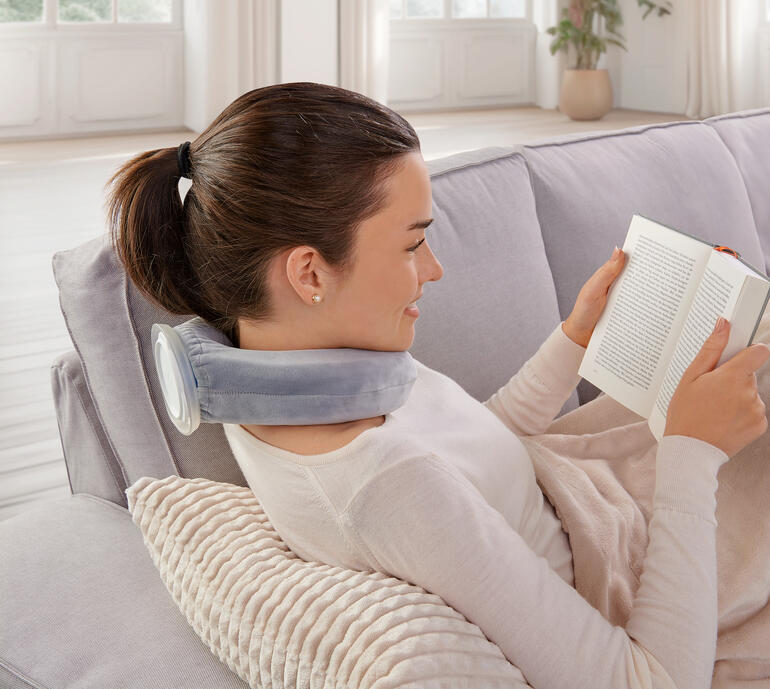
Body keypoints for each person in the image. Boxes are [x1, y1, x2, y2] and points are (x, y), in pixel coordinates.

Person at [105, 81, 770, 689]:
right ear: (309, 274)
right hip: (633, 569)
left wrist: (576, 337)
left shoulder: (300, 373)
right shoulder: (387, 485)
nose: (435, 267)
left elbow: (471, 455)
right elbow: (646, 679)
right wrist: (691, 453)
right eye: (411, 243)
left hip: (593, 499)